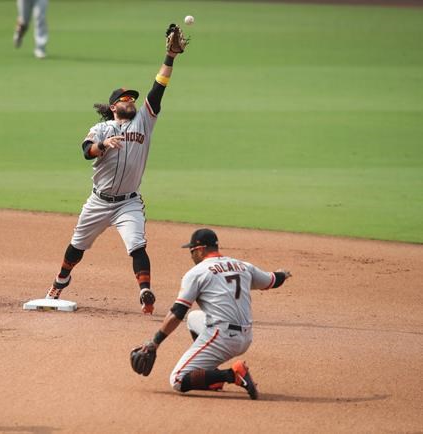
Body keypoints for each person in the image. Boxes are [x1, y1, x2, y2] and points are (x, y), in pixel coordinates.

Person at [43, 25, 186, 314]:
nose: (131, 101)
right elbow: (86, 152)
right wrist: (103, 145)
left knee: (137, 246)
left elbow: (157, 90)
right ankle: (59, 282)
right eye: (125, 99)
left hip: (128, 202)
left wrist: (169, 57)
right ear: (113, 106)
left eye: (132, 98)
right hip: (99, 201)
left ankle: (145, 291)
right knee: (76, 248)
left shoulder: (144, 121)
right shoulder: (101, 128)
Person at [132, 228, 292, 399]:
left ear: (200, 249)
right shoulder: (243, 266)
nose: (191, 255)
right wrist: (283, 274)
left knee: (178, 380)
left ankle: (232, 375)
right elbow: (272, 281)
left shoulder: (197, 273)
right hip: (246, 336)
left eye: (192, 251)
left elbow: (177, 313)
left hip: (223, 337)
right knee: (194, 317)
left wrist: (154, 342)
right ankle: (211, 378)